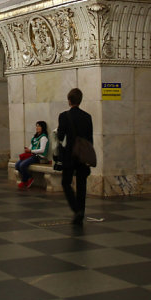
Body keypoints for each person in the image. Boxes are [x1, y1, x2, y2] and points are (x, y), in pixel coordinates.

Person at [56, 88, 94, 225]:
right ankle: (81, 211)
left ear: (69, 100)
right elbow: (90, 139)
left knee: (66, 182)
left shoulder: (64, 116)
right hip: (83, 154)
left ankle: (76, 209)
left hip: (69, 155)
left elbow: (60, 136)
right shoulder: (87, 116)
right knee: (82, 183)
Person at [16, 121, 50, 190]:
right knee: (17, 165)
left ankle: (26, 180)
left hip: (39, 157)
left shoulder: (43, 137)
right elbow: (31, 146)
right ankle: (27, 178)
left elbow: (42, 150)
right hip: (32, 155)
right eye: (36, 126)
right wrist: (28, 149)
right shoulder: (34, 137)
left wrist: (31, 151)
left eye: (39, 126)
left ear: (43, 128)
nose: (37, 128)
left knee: (22, 165)